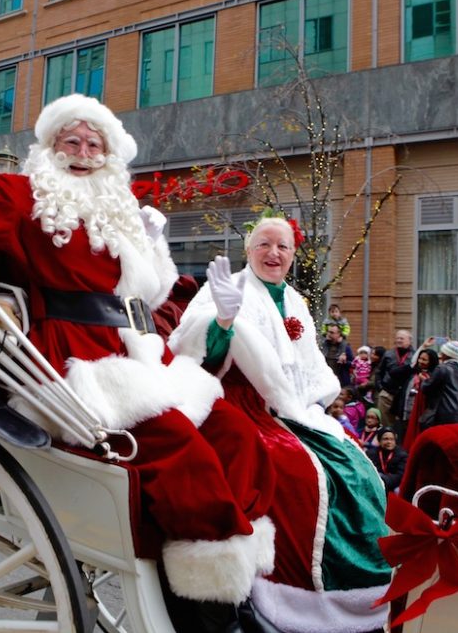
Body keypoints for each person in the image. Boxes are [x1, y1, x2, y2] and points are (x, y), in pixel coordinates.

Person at [0, 5, 278, 614]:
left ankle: (231, 570)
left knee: (241, 436)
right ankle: (207, 601)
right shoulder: (27, 197)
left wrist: (155, 247)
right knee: (180, 452)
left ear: (110, 154)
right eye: (71, 140)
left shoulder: (121, 211)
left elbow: (150, 296)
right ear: (51, 148)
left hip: (139, 355)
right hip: (75, 365)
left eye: (95, 142)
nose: (83, 150)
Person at [169, 218, 391, 633]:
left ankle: (360, 585)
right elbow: (193, 354)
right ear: (249, 250)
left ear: (292, 254)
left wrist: (315, 406)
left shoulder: (295, 300)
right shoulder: (228, 286)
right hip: (237, 402)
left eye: (283, 247)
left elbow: (307, 368)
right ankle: (285, 592)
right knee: (296, 472)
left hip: (292, 410)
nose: (273, 254)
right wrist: (222, 320)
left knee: (357, 466)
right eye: (264, 245)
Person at [418, 339, 458, 430]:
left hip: (442, 412)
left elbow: (427, 387)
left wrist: (424, 380)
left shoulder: (442, 368)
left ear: (445, 354)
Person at [400, 345, 438, 450]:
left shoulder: (433, 376)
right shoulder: (415, 373)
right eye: (420, 358)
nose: (421, 361)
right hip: (411, 410)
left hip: (425, 411)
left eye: (424, 359)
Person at [376, 329, 415, 426]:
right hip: (387, 394)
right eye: (397, 338)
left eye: (402, 338)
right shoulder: (389, 354)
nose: (399, 340)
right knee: (386, 424)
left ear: (409, 340)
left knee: (403, 424)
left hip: (404, 395)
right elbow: (379, 371)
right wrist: (380, 387)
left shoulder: (415, 356)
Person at [366, 426, 407, 492]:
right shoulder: (371, 454)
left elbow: (400, 476)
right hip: (376, 482)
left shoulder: (402, 455)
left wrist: (385, 480)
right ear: (379, 441)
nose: (389, 442)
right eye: (385, 439)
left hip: (394, 484)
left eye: (391, 439)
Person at [322, 323, 353, 389]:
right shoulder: (324, 346)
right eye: (328, 332)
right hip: (326, 381)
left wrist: (344, 362)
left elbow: (353, 364)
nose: (329, 334)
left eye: (332, 332)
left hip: (340, 382)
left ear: (339, 334)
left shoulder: (345, 347)